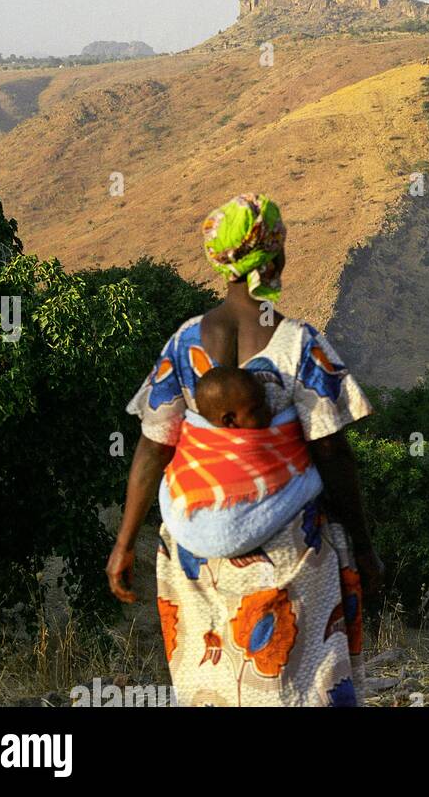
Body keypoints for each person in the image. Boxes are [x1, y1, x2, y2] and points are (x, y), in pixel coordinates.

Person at [105, 193, 383, 707]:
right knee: (301, 685)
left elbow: (152, 448)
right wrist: (362, 544)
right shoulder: (298, 343)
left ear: (221, 262)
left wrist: (124, 542)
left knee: (214, 685)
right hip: (289, 550)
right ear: (272, 259)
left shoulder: (182, 344)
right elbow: (333, 454)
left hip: (195, 555)